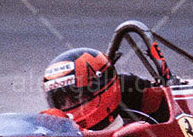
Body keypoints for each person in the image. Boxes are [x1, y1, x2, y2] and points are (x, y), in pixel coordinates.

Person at [41, 47, 169, 131]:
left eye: (75, 97)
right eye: (61, 102)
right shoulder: (60, 134)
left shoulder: (132, 133)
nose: (67, 107)